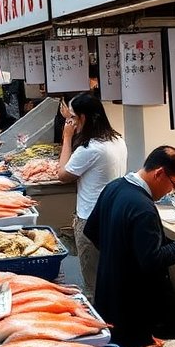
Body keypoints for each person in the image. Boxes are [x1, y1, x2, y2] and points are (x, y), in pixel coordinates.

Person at [84, 146, 175, 347]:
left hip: (108, 295)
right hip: (133, 307)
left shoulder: (114, 187)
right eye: (174, 184)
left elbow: (91, 230)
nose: (172, 191)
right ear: (159, 173)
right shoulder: (142, 207)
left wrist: (118, 255)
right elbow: (152, 259)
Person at [55, 91, 128, 296]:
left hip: (90, 221)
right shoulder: (117, 140)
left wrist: (66, 138)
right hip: (112, 217)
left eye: (73, 118)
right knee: (112, 276)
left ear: (84, 118)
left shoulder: (90, 149)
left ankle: (102, 322)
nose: (71, 123)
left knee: (93, 282)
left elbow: (62, 174)